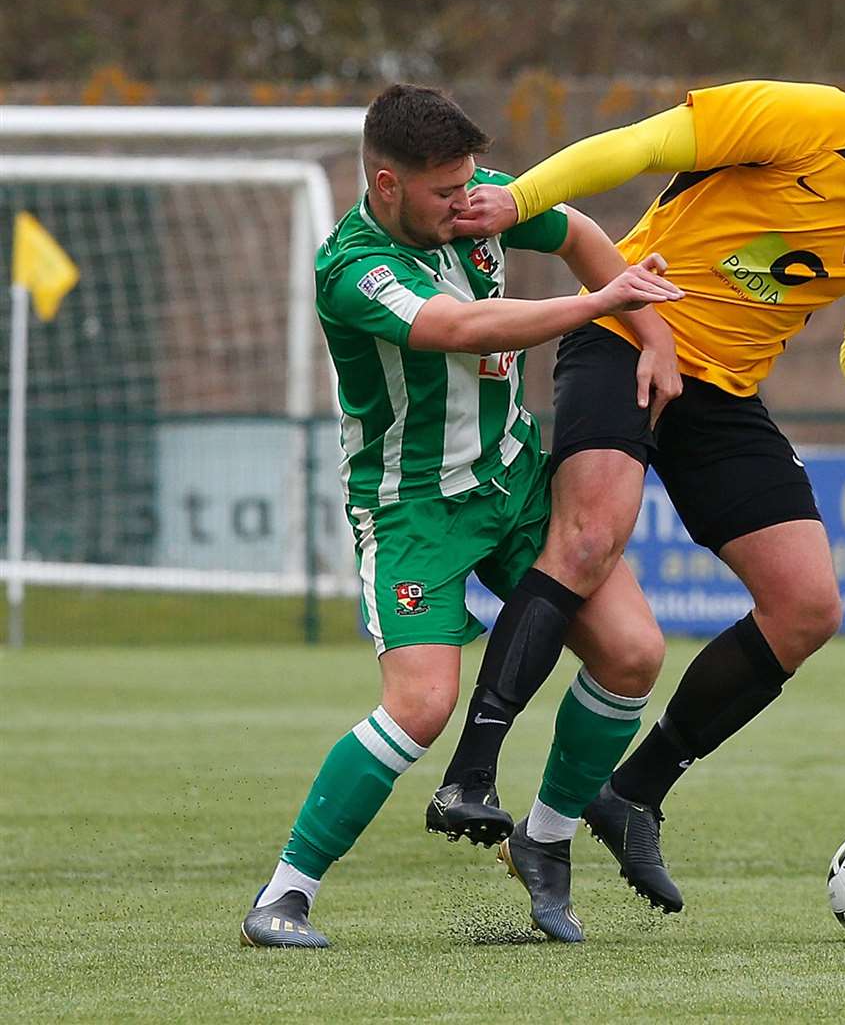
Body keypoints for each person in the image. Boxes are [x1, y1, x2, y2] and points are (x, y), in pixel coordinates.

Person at [452, 79, 845, 921]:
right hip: (623, 334)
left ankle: (630, 795)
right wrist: (519, 198)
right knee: (587, 541)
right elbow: (638, 147)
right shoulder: (801, 120)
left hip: (721, 396)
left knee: (808, 607)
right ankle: (472, 772)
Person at [240, 83, 682, 949]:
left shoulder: (474, 202)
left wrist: (654, 334)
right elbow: (463, 326)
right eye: (444, 191)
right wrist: (602, 306)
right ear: (386, 184)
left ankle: (544, 840)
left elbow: (582, 232)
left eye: (470, 182)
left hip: (514, 487)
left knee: (633, 653)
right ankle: (283, 895)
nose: (465, 201)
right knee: (421, 707)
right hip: (412, 510)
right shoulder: (354, 269)